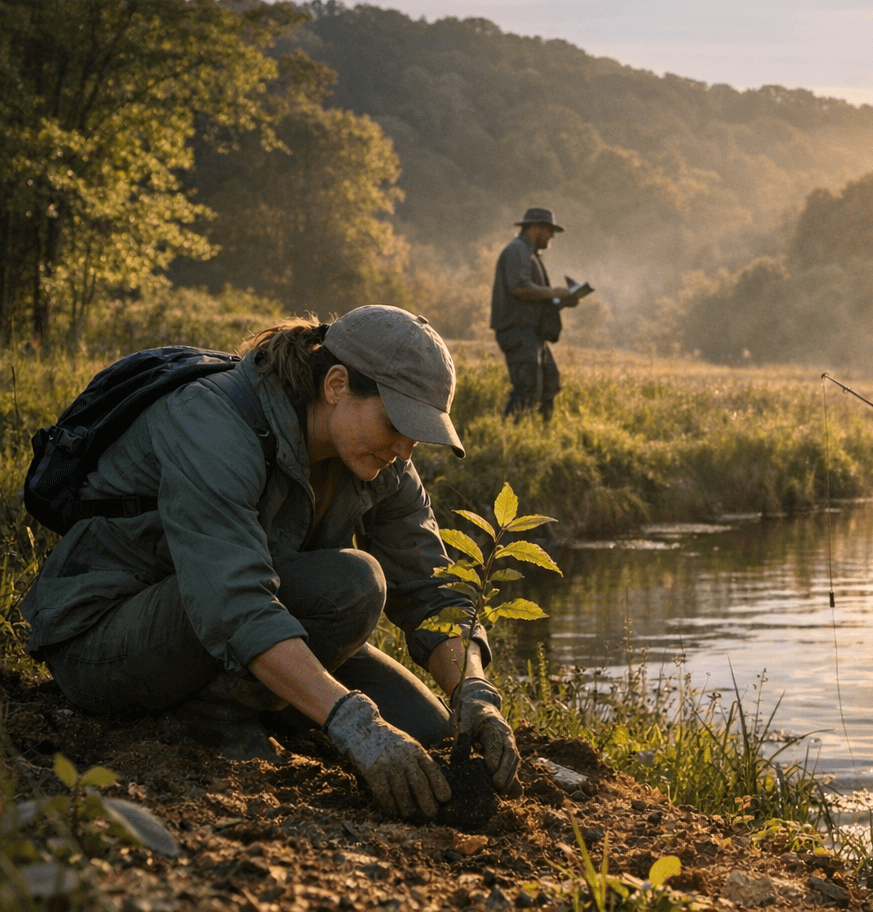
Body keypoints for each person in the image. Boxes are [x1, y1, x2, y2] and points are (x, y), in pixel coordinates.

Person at [20, 306, 520, 819]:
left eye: (419, 432)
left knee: (433, 732)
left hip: (247, 619)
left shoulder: (382, 462)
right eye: (397, 422)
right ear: (337, 385)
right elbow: (234, 602)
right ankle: (210, 718)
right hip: (109, 634)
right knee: (353, 584)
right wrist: (351, 722)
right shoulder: (212, 420)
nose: (405, 448)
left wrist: (474, 690)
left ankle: (266, 698)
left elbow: (430, 591)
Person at [491, 206, 580, 422]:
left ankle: (539, 436)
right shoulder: (517, 251)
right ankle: (509, 439)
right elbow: (519, 289)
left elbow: (535, 298)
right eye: (549, 230)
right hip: (518, 331)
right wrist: (554, 292)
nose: (551, 236)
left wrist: (561, 300)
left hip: (532, 334)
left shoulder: (529, 255)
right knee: (527, 388)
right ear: (537, 228)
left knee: (550, 385)